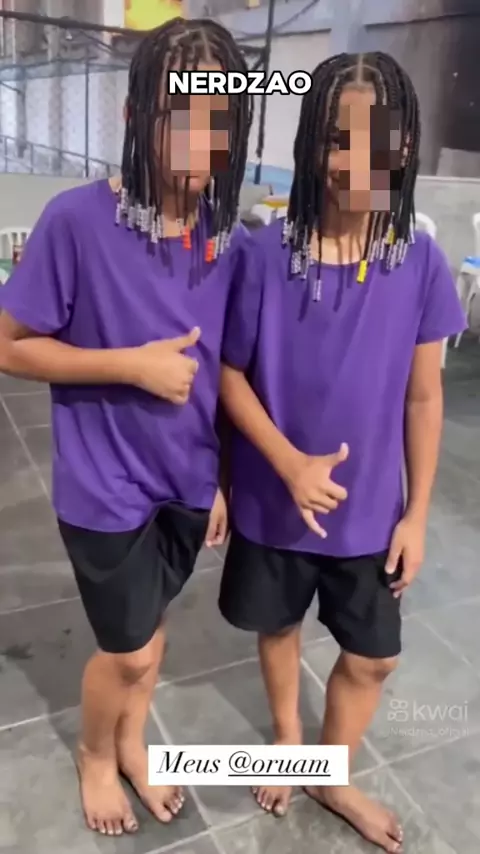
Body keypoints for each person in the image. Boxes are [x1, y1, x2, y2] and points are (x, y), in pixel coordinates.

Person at [0, 18, 252, 838]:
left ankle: (134, 744)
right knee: (130, 649)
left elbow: (227, 375)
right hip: (104, 487)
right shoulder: (77, 221)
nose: (197, 140)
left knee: (153, 628)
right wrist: (129, 366)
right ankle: (94, 755)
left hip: (186, 479)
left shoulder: (227, 241)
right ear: (136, 114)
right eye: (180, 114)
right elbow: (11, 345)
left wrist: (222, 481)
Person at [218, 52, 466, 853]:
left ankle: (333, 771)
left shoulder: (419, 263)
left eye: (375, 141)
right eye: (337, 140)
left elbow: (423, 397)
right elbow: (227, 375)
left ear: (404, 148)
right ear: (312, 148)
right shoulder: (262, 256)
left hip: (370, 515)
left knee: (374, 658)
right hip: (273, 501)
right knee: (278, 626)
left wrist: (417, 514)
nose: (355, 163)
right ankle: (291, 740)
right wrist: (286, 465)